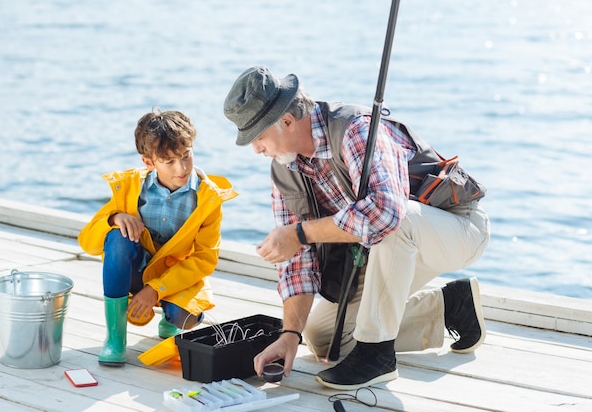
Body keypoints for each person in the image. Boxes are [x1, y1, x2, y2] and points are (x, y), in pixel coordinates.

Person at [223, 66, 490, 390]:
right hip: (391, 248)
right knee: (323, 336)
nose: (256, 149)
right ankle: (452, 307)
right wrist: (290, 335)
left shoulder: (354, 130)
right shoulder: (284, 172)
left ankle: (377, 356)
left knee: (393, 219)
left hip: (457, 228)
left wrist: (300, 234)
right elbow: (297, 260)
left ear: (287, 121)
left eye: (259, 136)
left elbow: (386, 214)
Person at [78, 109, 237, 366]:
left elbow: (204, 259)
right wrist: (115, 218)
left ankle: (168, 315)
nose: (181, 168)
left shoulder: (209, 197)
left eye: (186, 156)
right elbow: (87, 241)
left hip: (176, 277)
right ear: (149, 163)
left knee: (186, 318)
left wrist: (156, 290)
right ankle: (115, 340)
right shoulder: (129, 187)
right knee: (117, 239)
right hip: (137, 271)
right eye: (169, 161)